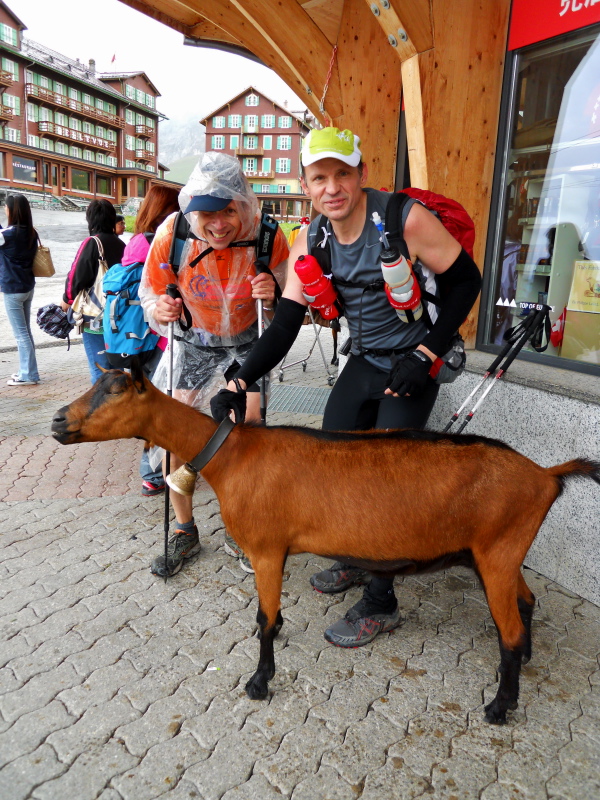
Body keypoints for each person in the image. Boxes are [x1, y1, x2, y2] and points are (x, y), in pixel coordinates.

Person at [211, 127, 482, 648]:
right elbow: (286, 322)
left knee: (384, 484)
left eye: (341, 174)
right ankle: (356, 558)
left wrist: (427, 353)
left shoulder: (404, 217)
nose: (331, 187)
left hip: (410, 362)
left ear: (360, 175)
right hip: (362, 361)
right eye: (319, 178)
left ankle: (382, 602)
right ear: (306, 186)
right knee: (328, 461)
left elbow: (466, 281)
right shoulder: (313, 238)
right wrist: (240, 377)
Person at [139, 152, 289, 578]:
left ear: (243, 205)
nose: (218, 223)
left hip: (248, 345)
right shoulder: (174, 234)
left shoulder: (268, 235)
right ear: (191, 210)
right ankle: (185, 530)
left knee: (251, 436)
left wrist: (273, 292)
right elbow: (149, 294)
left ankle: (241, 530)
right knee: (174, 432)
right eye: (207, 213)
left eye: (228, 210)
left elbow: (289, 304)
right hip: (193, 341)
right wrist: (160, 309)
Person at [121, 185, 180, 497]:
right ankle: (155, 473)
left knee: (150, 404)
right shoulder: (160, 243)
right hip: (157, 337)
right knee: (162, 407)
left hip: (132, 338)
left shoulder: (134, 242)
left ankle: (152, 472)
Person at [61, 200, 125, 384]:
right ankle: (118, 409)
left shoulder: (92, 242)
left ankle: (101, 411)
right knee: (117, 370)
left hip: (96, 318)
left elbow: (76, 276)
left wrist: (67, 299)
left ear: (90, 219)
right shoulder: (122, 245)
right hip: (120, 316)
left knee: (100, 371)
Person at [0, 194, 40, 386]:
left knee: (21, 334)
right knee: (26, 332)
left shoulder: (8, 235)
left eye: (6, 207)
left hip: (13, 290)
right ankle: (29, 371)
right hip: (27, 287)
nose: (4, 210)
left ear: (12, 210)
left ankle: (28, 375)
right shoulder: (32, 232)